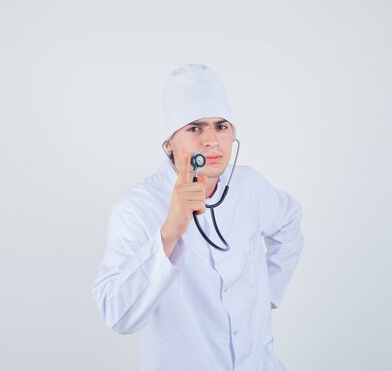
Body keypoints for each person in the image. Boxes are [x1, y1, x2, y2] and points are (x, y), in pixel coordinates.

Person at [92, 63, 304, 371]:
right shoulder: (137, 207)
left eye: (221, 126)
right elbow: (116, 314)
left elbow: (290, 223)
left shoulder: (251, 186)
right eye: (194, 128)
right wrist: (168, 235)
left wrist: (268, 295)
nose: (211, 140)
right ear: (169, 144)